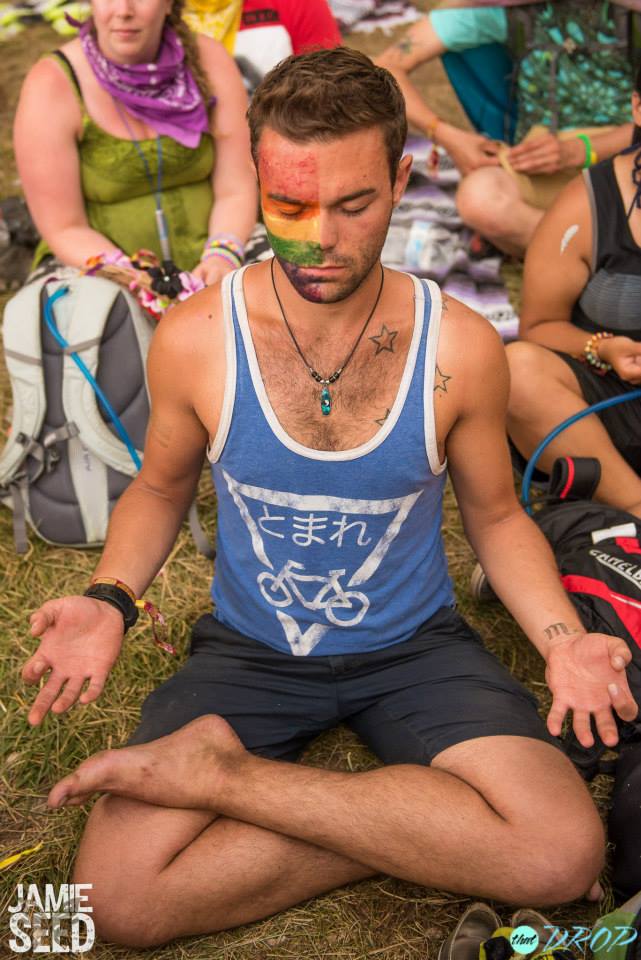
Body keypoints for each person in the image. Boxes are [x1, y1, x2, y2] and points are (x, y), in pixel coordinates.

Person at [21, 49, 637, 949]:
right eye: (289, 207)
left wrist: (563, 642)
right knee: (111, 904)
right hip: (250, 650)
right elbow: (159, 487)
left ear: (401, 178)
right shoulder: (197, 338)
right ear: (260, 183)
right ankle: (436, 830)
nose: (319, 240)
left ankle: (220, 776)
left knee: (560, 852)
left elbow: (497, 518)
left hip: (414, 648)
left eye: (354, 206)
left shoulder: (459, 344)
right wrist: (110, 597)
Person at [13, 0, 257, 287]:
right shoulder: (53, 84)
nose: (123, 10)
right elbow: (64, 227)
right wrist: (138, 280)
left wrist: (221, 256)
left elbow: (236, 186)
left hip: (220, 253)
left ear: (169, 4)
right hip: (98, 266)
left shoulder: (208, 60)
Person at [377, 1, 637, 256]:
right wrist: (445, 134)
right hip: (541, 157)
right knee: (479, 199)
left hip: (628, 151)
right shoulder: (512, 11)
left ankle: (576, 253)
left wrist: (582, 149)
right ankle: (598, 253)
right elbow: (387, 66)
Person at [506, 65, 641, 517]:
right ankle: (634, 504)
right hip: (611, 404)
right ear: (638, 108)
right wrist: (605, 347)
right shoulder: (586, 203)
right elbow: (539, 327)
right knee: (517, 372)